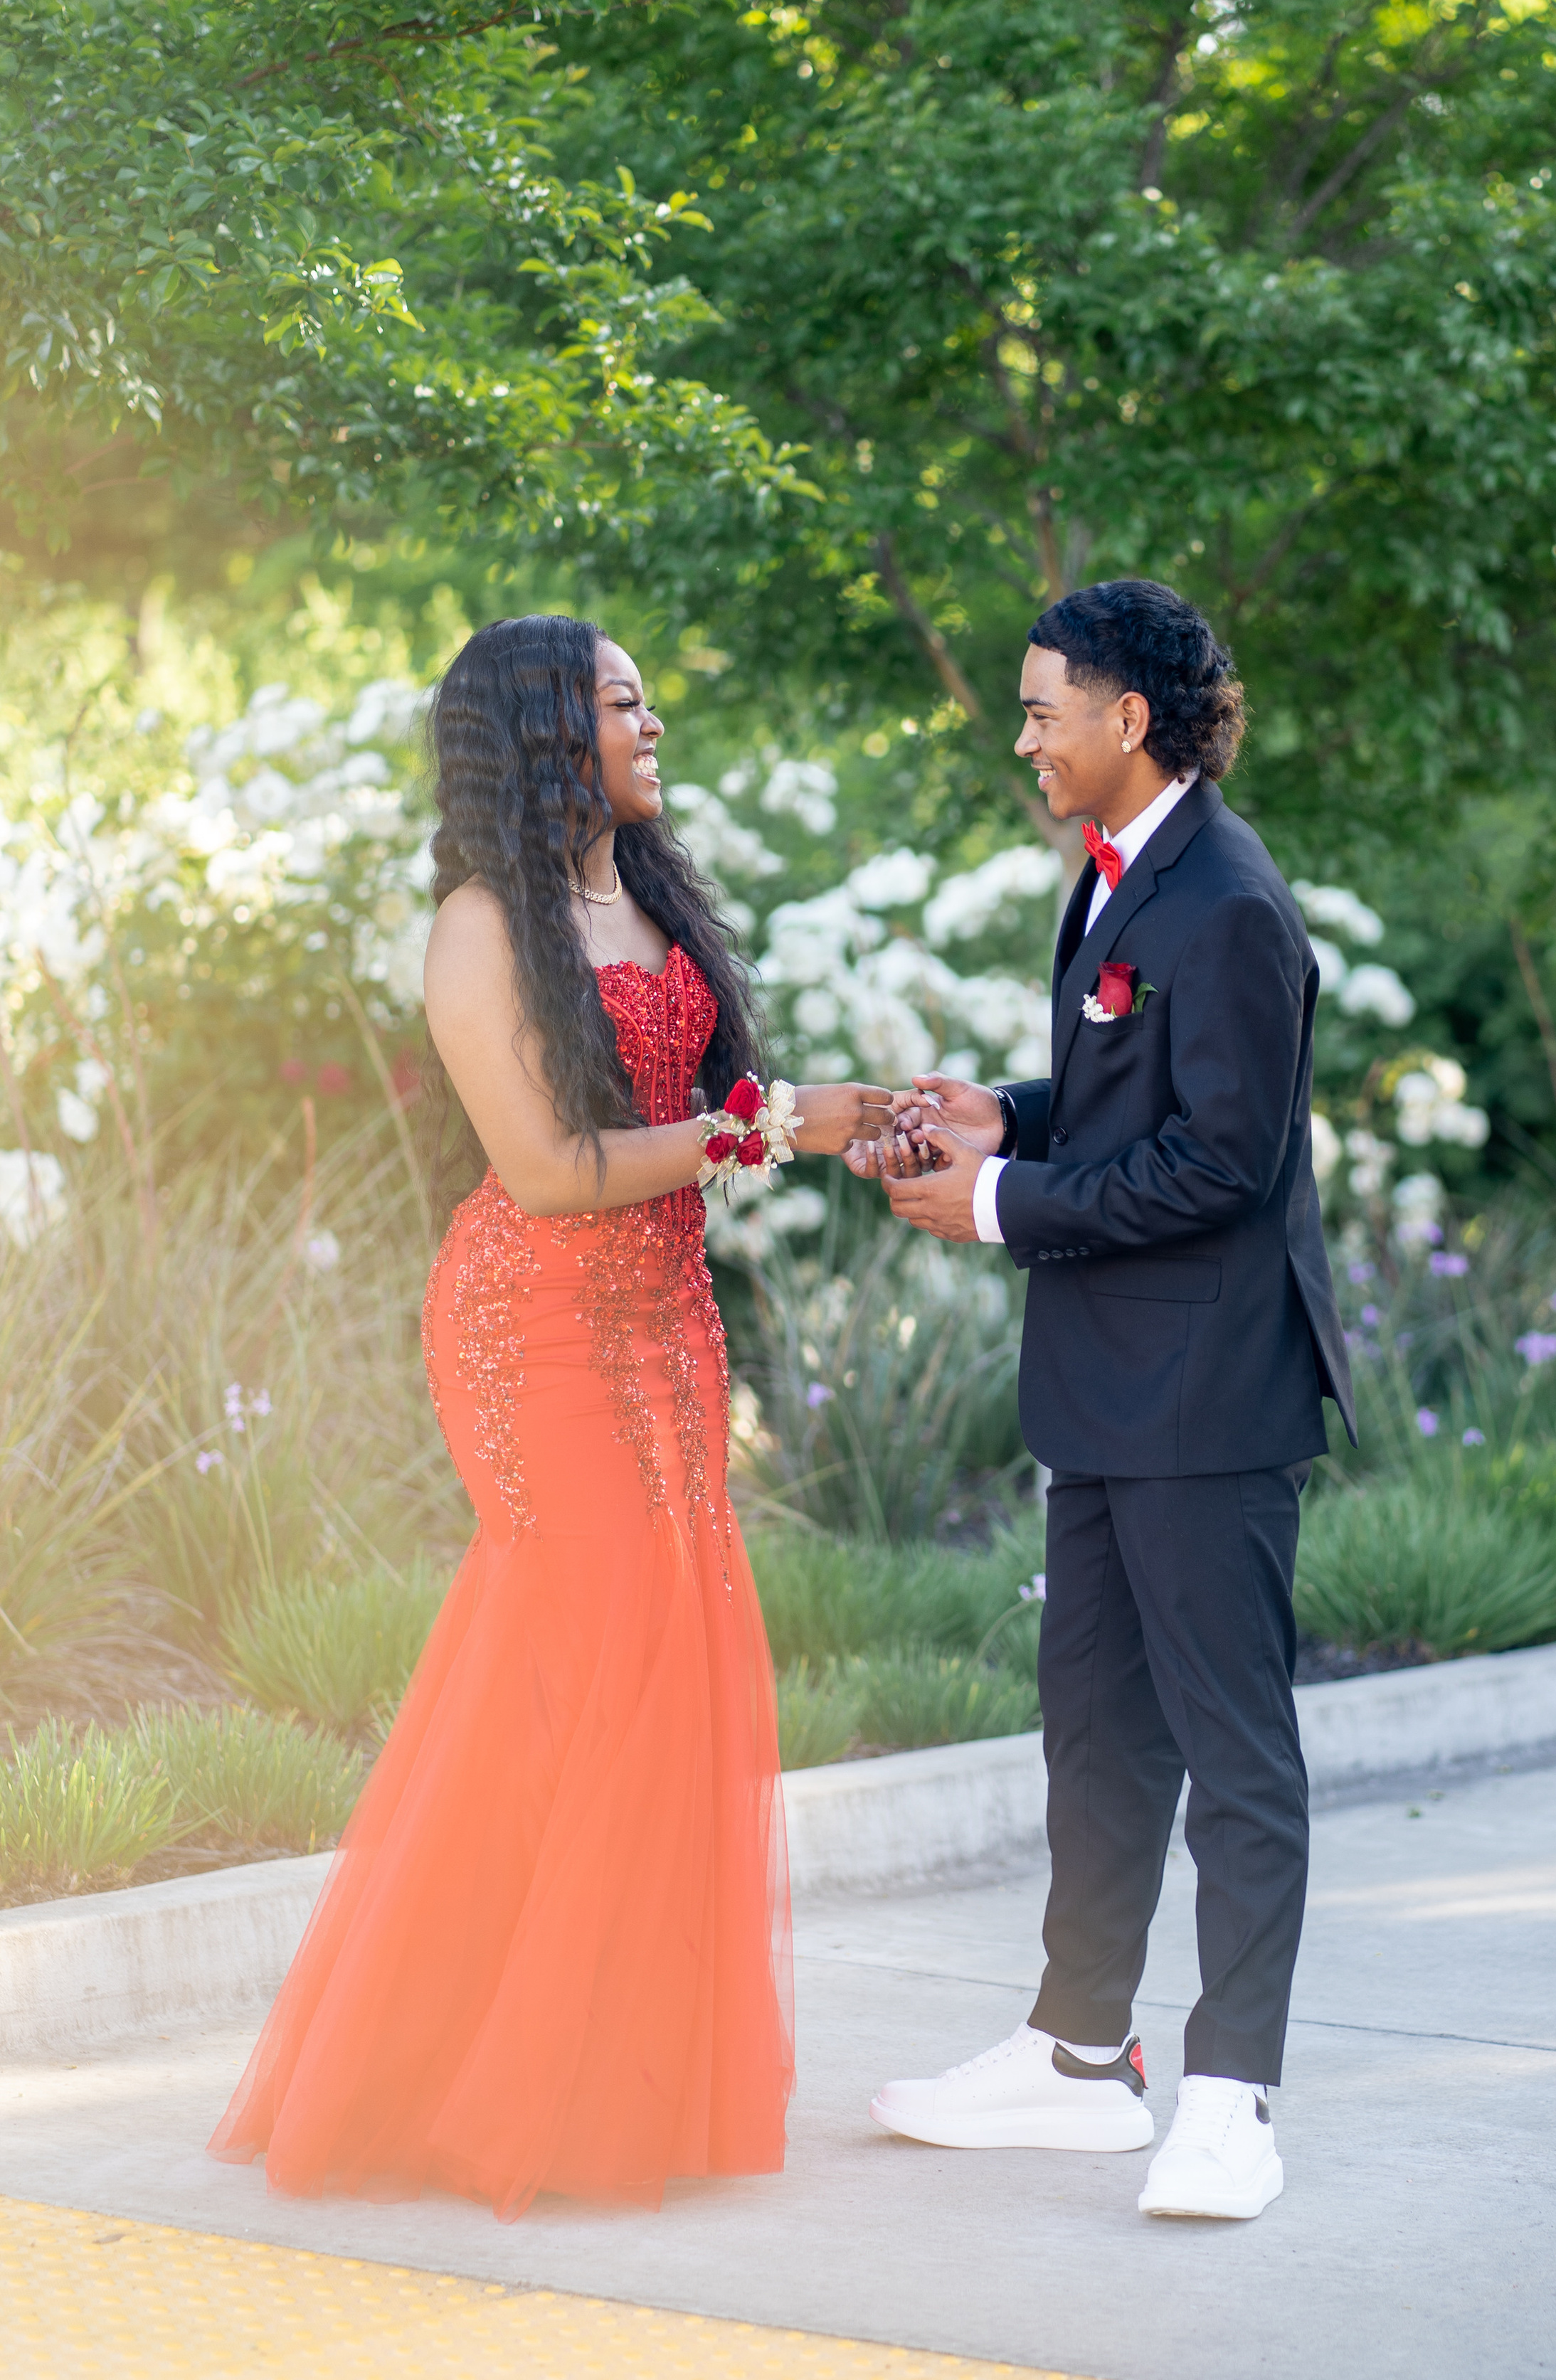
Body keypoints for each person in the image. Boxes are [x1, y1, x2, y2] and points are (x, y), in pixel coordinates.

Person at [211, 615, 889, 2219]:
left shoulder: (645, 896)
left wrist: (831, 1128)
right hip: (534, 1334)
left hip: (669, 1322)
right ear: (538, 729)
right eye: (621, 699)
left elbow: (689, 1133)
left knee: (679, 1644)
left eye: (651, 694)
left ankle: (610, 2067)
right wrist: (777, 1129)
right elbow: (547, 1177)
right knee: (591, 1658)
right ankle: (484, 2087)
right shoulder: (479, 927)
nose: (653, 721)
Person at [865, 579, 1354, 2223]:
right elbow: (1117, 1094)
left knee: (1232, 1760)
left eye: (1038, 709)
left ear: (1124, 720)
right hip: (1108, 1395)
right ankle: (1078, 2063)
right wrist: (1001, 1115)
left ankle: (1234, 2095)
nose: (1020, 736)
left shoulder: (1225, 901)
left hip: (1208, 1396)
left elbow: (1224, 1159)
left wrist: (998, 1208)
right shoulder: (1121, 880)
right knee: (1094, 1735)